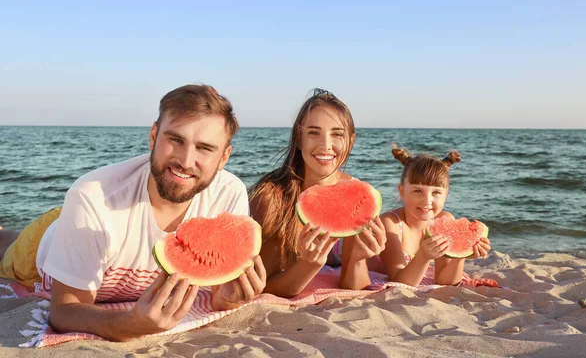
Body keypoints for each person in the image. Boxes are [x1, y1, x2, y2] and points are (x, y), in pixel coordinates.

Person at [0, 84, 266, 341]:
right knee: (6, 246)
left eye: (205, 148)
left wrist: (227, 298)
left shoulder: (229, 193)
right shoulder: (91, 197)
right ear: (153, 136)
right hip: (46, 241)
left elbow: (219, 293)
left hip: (86, 222)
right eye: (175, 139)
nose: (186, 161)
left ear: (224, 157)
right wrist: (128, 325)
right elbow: (64, 311)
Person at [248, 89, 386, 297]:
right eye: (313, 132)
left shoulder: (355, 195)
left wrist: (358, 258)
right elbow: (264, 286)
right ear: (298, 139)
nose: (325, 145)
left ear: (350, 142)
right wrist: (309, 265)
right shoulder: (273, 197)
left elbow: (352, 288)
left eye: (337, 134)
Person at [351, 147, 492, 289]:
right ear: (402, 191)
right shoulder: (390, 223)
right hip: (340, 249)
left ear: (446, 194)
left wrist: (462, 254)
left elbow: (445, 282)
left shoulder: (445, 219)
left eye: (436, 192)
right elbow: (399, 282)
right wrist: (423, 257)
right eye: (418, 191)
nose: (427, 200)